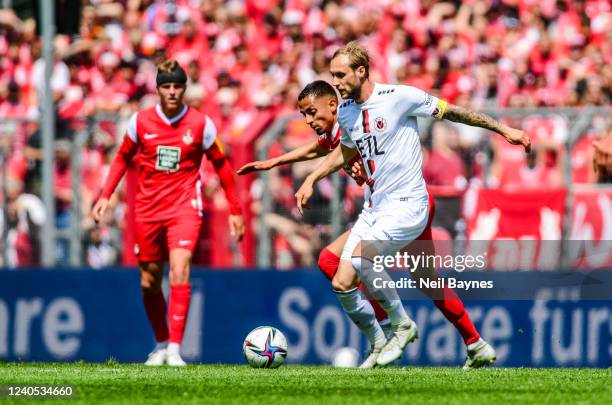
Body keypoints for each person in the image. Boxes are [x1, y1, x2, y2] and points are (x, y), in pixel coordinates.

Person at [295, 42, 530, 369]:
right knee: (342, 275)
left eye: (340, 74)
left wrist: (504, 129)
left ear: (361, 71)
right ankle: (435, 343)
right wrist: (313, 178)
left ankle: (399, 326)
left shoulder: (399, 97)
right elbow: (346, 150)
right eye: (332, 75)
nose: (335, 81)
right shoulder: (347, 111)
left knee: (366, 258)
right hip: (375, 208)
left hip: (409, 204)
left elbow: (455, 112)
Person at [91, 60, 245, 366]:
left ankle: (175, 348)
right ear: (158, 89)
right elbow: (121, 158)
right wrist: (105, 195)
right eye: (167, 86)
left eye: (178, 87)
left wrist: (235, 209)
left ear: (184, 89)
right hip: (147, 210)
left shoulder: (201, 124)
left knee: (179, 268)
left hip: (184, 207)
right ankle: (161, 343)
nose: (172, 92)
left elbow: (223, 167)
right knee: (149, 281)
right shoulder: (140, 122)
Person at [237, 80, 392, 367]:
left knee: (366, 268)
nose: (308, 121)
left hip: (395, 207)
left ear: (331, 105)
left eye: (311, 113)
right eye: (304, 115)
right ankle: (386, 332)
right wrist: (272, 163)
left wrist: (311, 178)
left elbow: (347, 147)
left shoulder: (352, 122)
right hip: (378, 209)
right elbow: (314, 150)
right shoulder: (334, 133)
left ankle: (387, 331)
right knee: (329, 263)